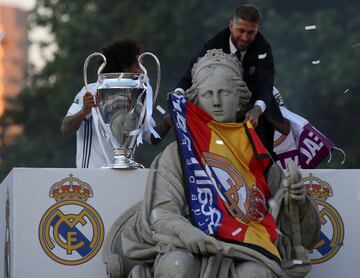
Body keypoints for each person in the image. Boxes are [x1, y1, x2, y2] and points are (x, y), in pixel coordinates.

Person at [113, 50, 320, 277]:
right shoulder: (178, 153)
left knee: (255, 274)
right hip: (186, 245)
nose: (217, 101)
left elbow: (301, 232)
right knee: (177, 266)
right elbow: (161, 212)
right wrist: (187, 232)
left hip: (246, 246)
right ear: (197, 100)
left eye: (224, 93)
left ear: (239, 97)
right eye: (208, 94)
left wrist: (297, 200)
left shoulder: (256, 152)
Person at [175, 4, 288, 158]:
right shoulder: (213, 44)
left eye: (251, 32)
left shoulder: (263, 48)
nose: (245, 38)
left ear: (257, 29)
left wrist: (257, 109)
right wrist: (177, 95)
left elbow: (265, 84)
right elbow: (189, 76)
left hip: (253, 103)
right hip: (220, 104)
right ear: (231, 25)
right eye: (241, 31)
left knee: (263, 136)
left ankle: (265, 161)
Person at [61, 39, 171, 168]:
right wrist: (84, 111)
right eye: (138, 66)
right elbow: (66, 128)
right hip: (92, 177)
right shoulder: (90, 91)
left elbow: (152, 138)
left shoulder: (138, 96)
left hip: (124, 175)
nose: (142, 71)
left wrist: (169, 120)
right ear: (125, 67)